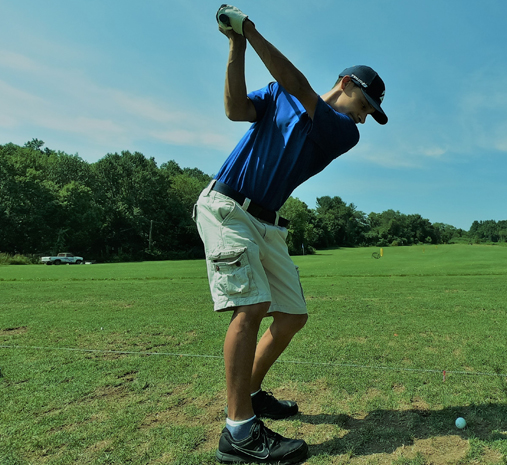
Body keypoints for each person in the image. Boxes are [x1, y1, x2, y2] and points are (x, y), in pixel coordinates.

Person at [193, 5, 387, 464]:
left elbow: (299, 85)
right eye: (364, 106)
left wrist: (251, 32)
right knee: (252, 306)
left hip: (267, 222)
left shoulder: (343, 133)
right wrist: (237, 45)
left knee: (292, 315)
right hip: (228, 207)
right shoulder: (279, 94)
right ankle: (239, 431)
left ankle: (253, 392)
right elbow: (235, 109)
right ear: (345, 85)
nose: (363, 118)